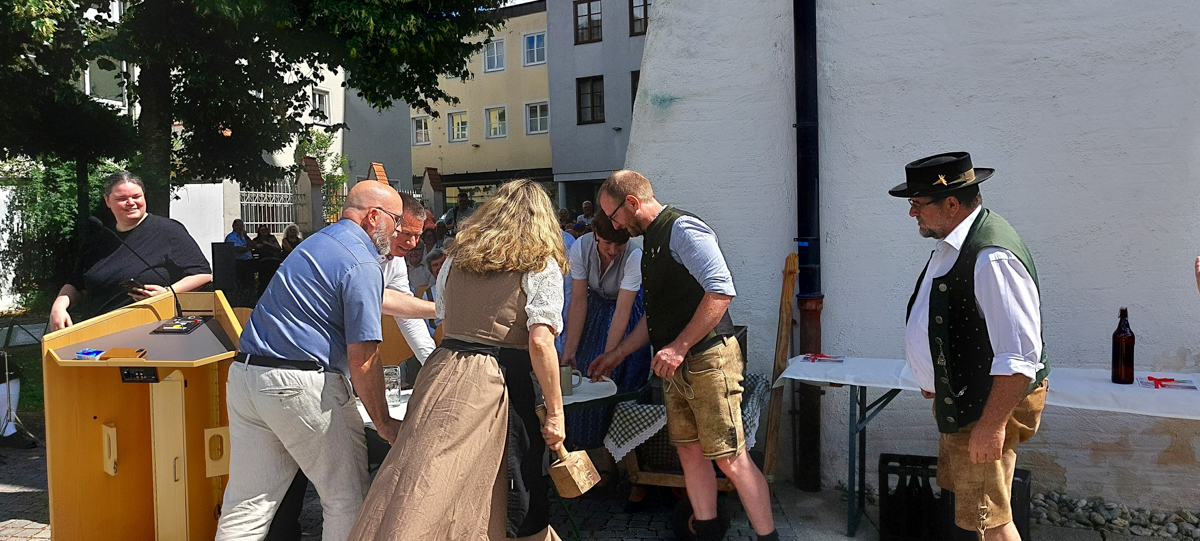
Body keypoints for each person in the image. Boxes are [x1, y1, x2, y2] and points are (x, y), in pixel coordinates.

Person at [349, 179, 567, 541]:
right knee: (511, 484)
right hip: (499, 381)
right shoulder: (539, 264)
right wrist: (556, 412)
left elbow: (446, 324)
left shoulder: (456, 259)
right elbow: (541, 342)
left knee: (425, 476)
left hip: (442, 371)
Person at [216, 181, 412, 541]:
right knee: (346, 499)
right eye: (396, 220)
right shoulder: (362, 261)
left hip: (247, 375)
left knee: (247, 505)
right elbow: (364, 357)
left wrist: (436, 308)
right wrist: (384, 423)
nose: (398, 230)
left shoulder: (316, 243)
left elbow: (381, 301)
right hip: (300, 382)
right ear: (374, 216)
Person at [593, 170, 777, 541]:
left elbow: (721, 291)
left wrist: (679, 347)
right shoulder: (651, 240)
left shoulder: (683, 229)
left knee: (730, 457)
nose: (614, 225)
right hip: (676, 366)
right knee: (690, 453)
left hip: (709, 358)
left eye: (614, 216)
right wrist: (619, 353)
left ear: (632, 202)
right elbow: (657, 315)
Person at [891, 152, 1049, 541]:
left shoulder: (991, 256)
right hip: (969, 400)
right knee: (976, 511)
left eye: (918, 203)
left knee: (988, 519)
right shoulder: (958, 243)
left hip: (984, 405)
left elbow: (1019, 357)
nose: (912, 213)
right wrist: (934, 376)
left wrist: (991, 426)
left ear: (950, 203)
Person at [49, 171, 212, 331]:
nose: (131, 202)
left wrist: (168, 293)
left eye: (136, 196)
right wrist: (59, 307)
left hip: (153, 331)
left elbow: (202, 274)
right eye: (122, 198)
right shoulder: (98, 240)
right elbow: (76, 285)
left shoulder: (168, 231)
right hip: (97, 333)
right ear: (107, 201)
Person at [561, 212, 651, 448]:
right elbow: (578, 300)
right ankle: (583, 446)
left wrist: (609, 358)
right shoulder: (580, 247)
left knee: (616, 375)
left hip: (627, 311)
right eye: (607, 243)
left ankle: (618, 453)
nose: (613, 250)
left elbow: (622, 311)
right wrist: (570, 349)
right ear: (596, 235)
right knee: (583, 369)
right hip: (595, 309)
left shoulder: (634, 256)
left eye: (619, 244)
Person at [226, 219, 257, 291]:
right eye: (237, 225)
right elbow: (238, 249)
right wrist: (249, 248)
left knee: (250, 282)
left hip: (248, 261)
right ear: (233, 226)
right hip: (239, 262)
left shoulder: (244, 236)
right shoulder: (231, 237)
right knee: (241, 282)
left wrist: (246, 237)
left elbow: (254, 245)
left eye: (241, 225)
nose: (239, 227)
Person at [253, 225, 283, 296]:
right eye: (262, 230)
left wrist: (268, 244)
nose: (263, 232)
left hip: (273, 261)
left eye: (265, 230)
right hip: (262, 262)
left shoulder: (272, 238)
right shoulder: (256, 240)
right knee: (263, 281)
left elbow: (278, 248)